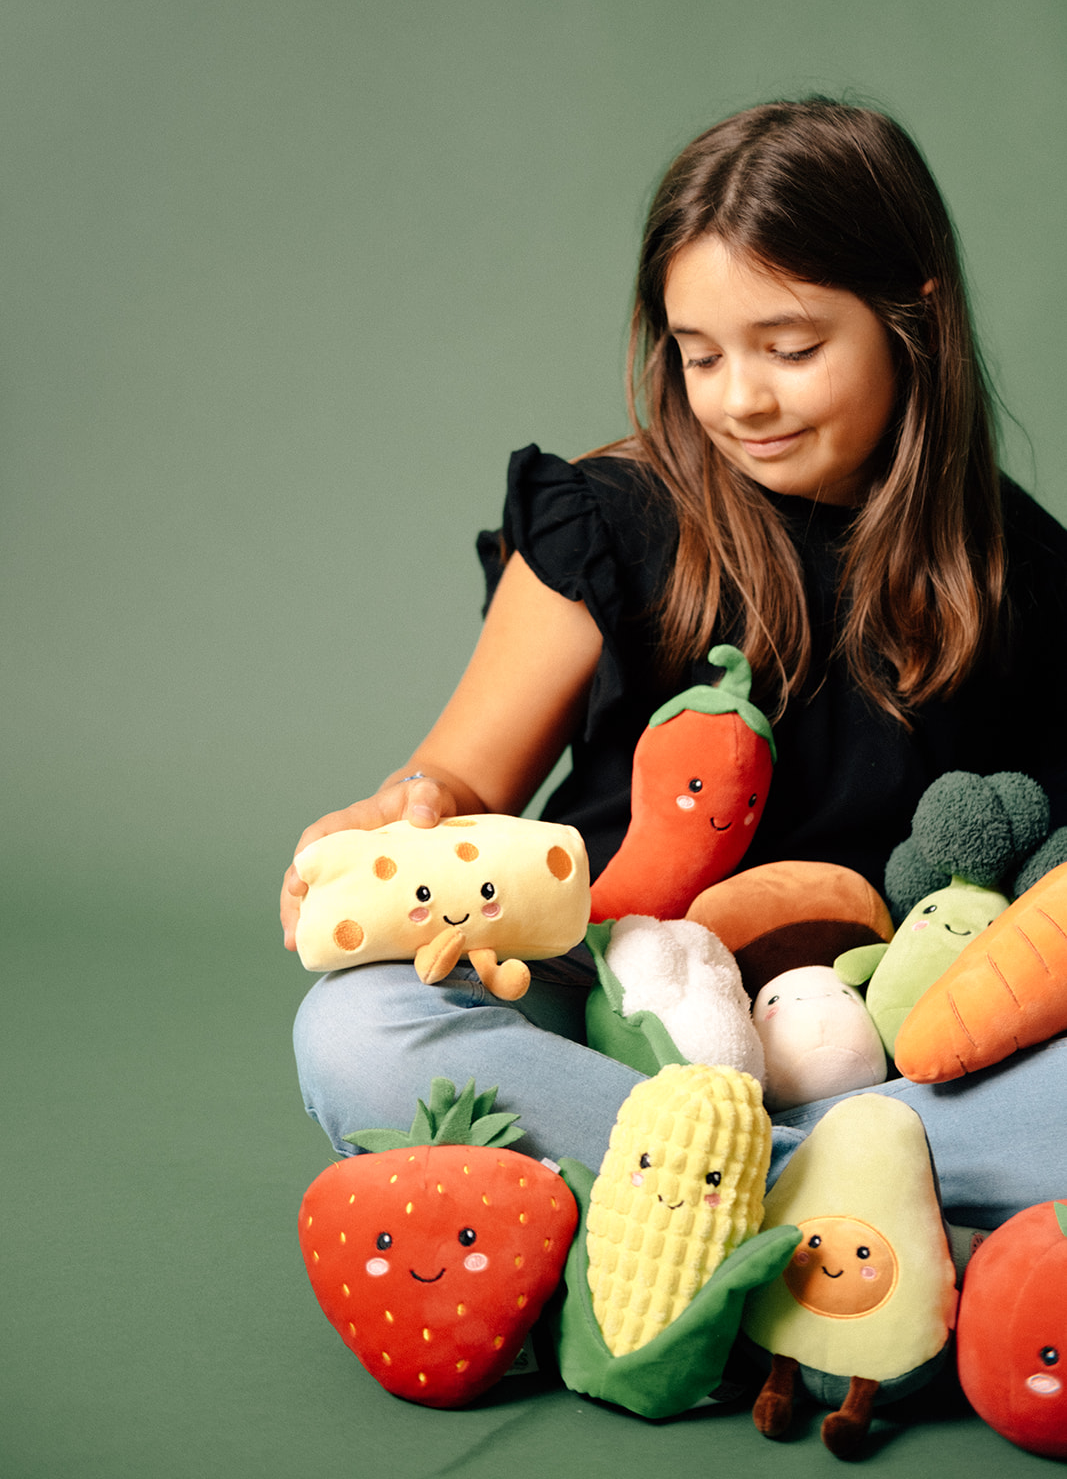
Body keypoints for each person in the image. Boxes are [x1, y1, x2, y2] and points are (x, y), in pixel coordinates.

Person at [284, 98, 1067, 1230]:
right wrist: (403, 810)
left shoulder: (1019, 568)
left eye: (789, 349)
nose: (739, 397)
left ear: (914, 317)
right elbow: (457, 787)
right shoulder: (604, 519)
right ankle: (839, 1202)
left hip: (879, 1042)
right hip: (610, 1011)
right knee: (356, 1032)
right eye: (699, 355)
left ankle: (716, 1200)